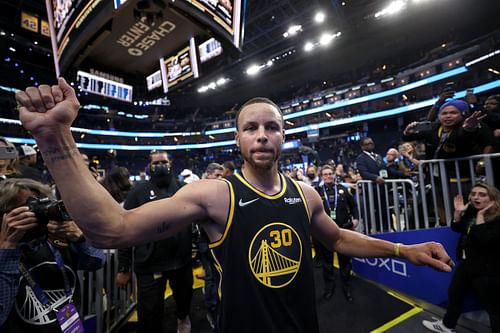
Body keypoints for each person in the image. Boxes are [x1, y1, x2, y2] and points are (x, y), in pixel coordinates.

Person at [16, 79, 454, 333]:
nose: (262, 134)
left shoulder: (306, 193)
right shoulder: (216, 194)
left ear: (283, 137)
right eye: (251, 128)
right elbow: (111, 229)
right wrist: (55, 141)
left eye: (272, 127)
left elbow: (337, 238)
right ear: (238, 139)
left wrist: (404, 250)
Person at [0, 178, 105, 332]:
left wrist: (81, 238)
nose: (41, 214)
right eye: (30, 207)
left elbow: (96, 262)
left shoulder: (54, 238)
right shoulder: (4, 250)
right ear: (5, 215)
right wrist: (7, 246)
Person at [115, 151, 193, 333]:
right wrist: (123, 268)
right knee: (149, 313)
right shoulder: (138, 192)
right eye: (156, 162)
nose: (160, 165)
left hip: (181, 261)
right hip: (150, 264)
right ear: (149, 166)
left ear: (171, 163)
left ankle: (183, 317)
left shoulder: (184, 189)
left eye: (164, 161)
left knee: (184, 299)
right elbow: (125, 229)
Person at [422, 183, 500, 333]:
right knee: (455, 294)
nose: (476, 197)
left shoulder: (496, 218)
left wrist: (481, 216)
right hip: (467, 264)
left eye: (482, 194)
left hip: (488, 270)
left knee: (494, 310)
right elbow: (458, 228)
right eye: (474, 193)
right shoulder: (472, 211)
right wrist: (458, 213)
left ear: (493, 199)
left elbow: (485, 240)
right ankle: (447, 326)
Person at [315, 165, 359, 302]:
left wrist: (356, 219)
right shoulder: (316, 191)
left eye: (330, 174)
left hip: (343, 231)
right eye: (325, 174)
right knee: (327, 264)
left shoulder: (343, 189)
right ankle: (329, 288)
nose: (328, 176)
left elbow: (353, 206)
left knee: (345, 262)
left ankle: (347, 288)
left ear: (334, 175)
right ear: (322, 176)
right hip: (325, 233)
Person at [199, 162, 224, 329]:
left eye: (222, 175)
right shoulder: (201, 192)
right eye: (217, 175)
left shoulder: (222, 191)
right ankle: (212, 310)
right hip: (208, 243)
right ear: (208, 175)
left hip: (222, 243)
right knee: (211, 278)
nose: (221, 179)